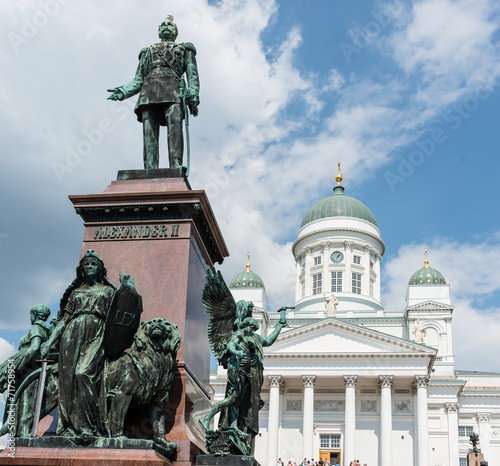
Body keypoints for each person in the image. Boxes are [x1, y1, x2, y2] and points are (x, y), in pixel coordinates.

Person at [107, 14, 200, 171]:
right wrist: (123, 91)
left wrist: (193, 93)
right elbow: (138, 79)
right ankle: (150, 169)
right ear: (158, 31)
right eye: (162, 25)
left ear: (175, 32)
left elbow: (192, 75)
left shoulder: (185, 49)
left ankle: (175, 166)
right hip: (149, 92)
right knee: (149, 133)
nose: (165, 26)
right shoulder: (147, 51)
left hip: (174, 92)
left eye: (169, 25)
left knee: (175, 129)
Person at [42, 250, 116, 437]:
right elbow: (64, 321)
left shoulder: (108, 291)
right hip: (72, 334)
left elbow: (116, 320)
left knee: (83, 373)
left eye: (93, 264)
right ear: (81, 270)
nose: (89, 267)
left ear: (100, 269)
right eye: (86, 264)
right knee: (67, 380)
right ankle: (69, 425)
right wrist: (49, 342)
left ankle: (88, 426)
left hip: (96, 334)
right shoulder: (76, 292)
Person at [0, 304, 52, 436]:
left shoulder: (36, 328)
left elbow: (34, 348)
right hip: (31, 369)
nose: (30, 317)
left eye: (31, 314)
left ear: (34, 314)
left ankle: (18, 432)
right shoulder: (45, 330)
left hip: (26, 370)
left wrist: (20, 365)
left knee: (15, 402)